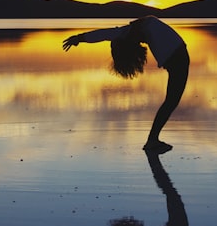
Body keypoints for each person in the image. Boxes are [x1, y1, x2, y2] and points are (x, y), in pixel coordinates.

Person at [62, 16, 189, 153]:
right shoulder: (135, 29)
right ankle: (152, 140)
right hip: (177, 59)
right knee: (170, 102)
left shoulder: (130, 30)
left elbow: (104, 34)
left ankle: (152, 140)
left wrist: (80, 38)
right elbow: (104, 34)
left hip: (176, 58)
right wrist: (80, 38)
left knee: (170, 102)